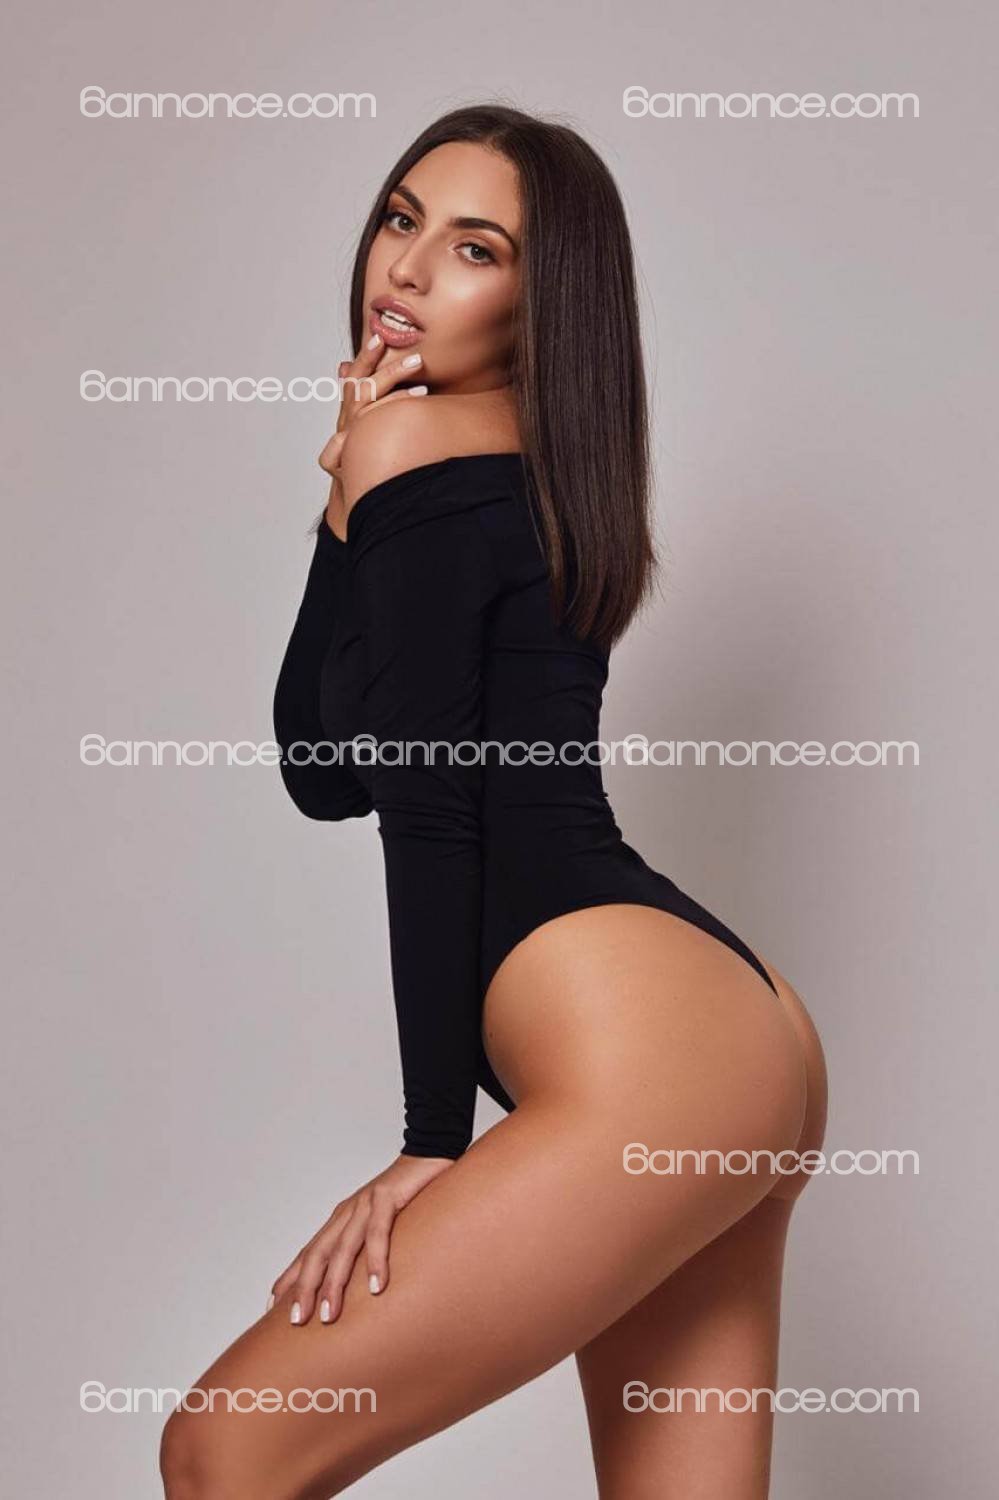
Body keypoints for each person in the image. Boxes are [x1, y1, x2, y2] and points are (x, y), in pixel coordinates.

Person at [161, 103, 828, 1500]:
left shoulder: (421, 451)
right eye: (402, 221)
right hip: (742, 1032)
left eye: (475, 249)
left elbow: (423, 809)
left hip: (645, 1048)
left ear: (543, 303)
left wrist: (429, 1141)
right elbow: (325, 770)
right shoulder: (526, 467)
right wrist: (344, 506)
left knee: (224, 1451)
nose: (406, 269)